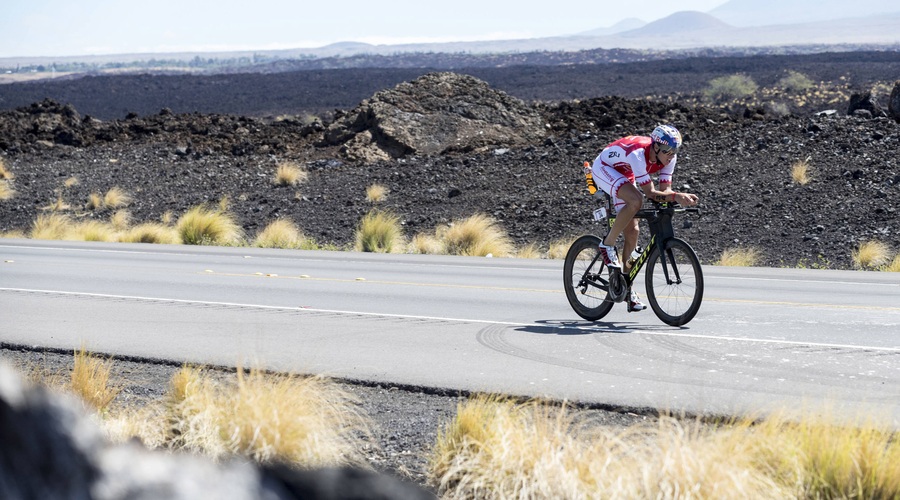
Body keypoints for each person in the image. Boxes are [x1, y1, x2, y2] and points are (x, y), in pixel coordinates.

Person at [590, 124, 699, 312]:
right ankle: (607, 244)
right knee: (636, 200)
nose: (671, 155)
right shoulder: (638, 155)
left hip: (626, 172)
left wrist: (677, 197)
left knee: (633, 231)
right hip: (605, 168)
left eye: (674, 151)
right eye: (667, 151)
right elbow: (650, 193)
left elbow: (664, 190)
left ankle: (626, 288)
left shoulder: (669, 158)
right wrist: (675, 196)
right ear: (655, 147)